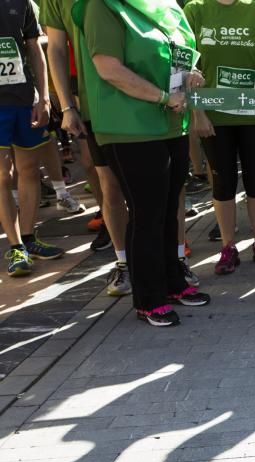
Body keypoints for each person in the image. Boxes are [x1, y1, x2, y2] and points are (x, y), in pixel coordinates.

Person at [77, 0, 211, 326]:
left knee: (167, 209)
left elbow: (177, 53)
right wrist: (163, 97)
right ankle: (149, 299)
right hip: (130, 127)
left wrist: (190, 76)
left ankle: (173, 283)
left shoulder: (164, 3)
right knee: (147, 213)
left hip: (170, 123)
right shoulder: (102, 6)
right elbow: (108, 67)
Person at [186, 0, 255, 275]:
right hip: (215, 116)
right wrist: (199, 113)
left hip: (254, 112)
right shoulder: (195, 10)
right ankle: (228, 246)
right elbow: (186, 69)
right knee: (223, 180)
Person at [40, 0, 132, 295]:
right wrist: (66, 105)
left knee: (166, 186)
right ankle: (124, 264)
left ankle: (173, 257)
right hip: (95, 104)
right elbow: (54, 47)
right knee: (110, 185)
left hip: (150, 99)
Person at [1, 0, 66, 278]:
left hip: (25, 99)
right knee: (3, 176)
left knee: (29, 170)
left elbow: (34, 48)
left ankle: (28, 238)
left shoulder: (22, 2)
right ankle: (15, 247)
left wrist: (45, 95)